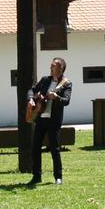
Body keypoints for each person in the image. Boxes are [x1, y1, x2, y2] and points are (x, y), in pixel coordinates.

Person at [26, 57, 72, 186]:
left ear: (61, 68)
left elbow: (66, 101)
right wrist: (30, 99)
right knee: (35, 147)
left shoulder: (66, 83)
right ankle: (36, 176)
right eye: (51, 66)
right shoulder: (45, 80)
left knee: (54, 148)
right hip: (41, 118)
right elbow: (32, 90)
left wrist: (57, 97)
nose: (51, 68)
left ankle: (58, 177)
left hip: (54, 120)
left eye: (53, 66)